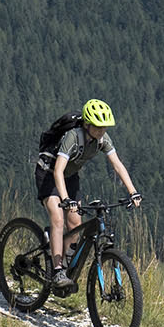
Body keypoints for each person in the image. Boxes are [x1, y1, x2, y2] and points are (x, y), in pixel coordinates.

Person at [40, 99, 140, 290]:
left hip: (70, 177)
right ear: (87, 125)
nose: (102, 130)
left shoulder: (102, 139)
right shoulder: (72, 137)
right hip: (49, 174)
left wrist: (133, 191)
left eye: (104, 127)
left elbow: (117, 165)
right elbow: (58, 170)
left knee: (75, 224)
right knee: (58, 219)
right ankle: (58, 270)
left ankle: (63, 261)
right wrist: (65, 199)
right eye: (98, 127)